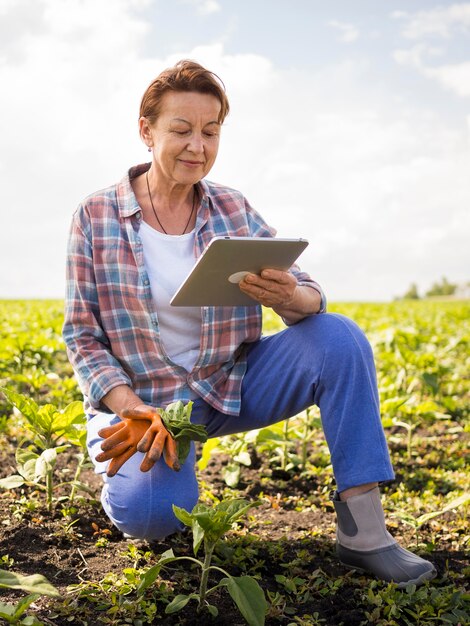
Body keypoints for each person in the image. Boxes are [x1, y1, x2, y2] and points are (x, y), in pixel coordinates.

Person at [63, 59, 436, 588]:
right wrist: (127, 406)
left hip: (227, 385)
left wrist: (294, 297)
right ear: (146, 131)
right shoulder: (95, 216)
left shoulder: (231, 207)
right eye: (182, 130)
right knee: (151, 516)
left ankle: (366, 532)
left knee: (339, 337)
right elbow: (81, 333)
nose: (198, 146)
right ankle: (125, 474)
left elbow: (306, 290)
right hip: (146, 407)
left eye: (211, 132)